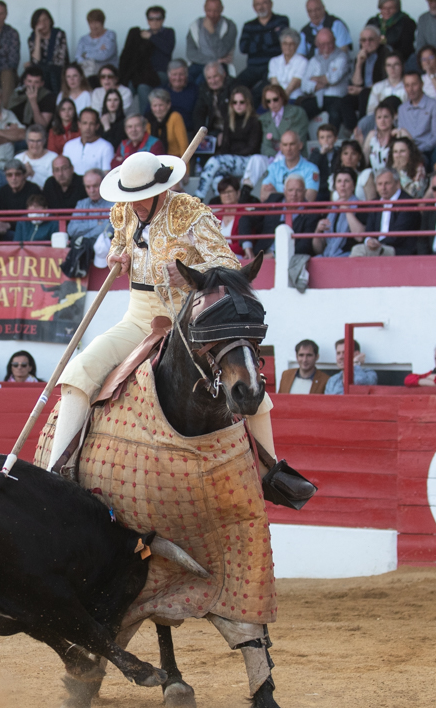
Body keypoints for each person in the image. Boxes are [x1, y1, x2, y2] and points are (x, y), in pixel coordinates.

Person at [45, 149, 273, 474]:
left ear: (162, 190)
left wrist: (192, 270)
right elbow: (119, 245)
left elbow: (229, 265)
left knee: (252, 386)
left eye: (143, 197)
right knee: (79, 373)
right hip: (138, 318)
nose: (135, 205)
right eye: (130, 197)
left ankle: (271, 472)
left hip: (189, 320)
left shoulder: (191, 212)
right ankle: (60, 470)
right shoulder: (123, 211)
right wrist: (117, 258)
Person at [194, 86, 265, 201]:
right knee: (217, 178)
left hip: (247, 162)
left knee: (214, 162)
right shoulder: (229, 120)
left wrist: (230, 156)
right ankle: (220, 202)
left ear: (248, 103)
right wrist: (227, 156)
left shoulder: (255, 121)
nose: (238, 105)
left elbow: (253, 147)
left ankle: (198, 197)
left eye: (242, 102)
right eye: (234, 102)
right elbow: (225, 146)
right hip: (231, 161)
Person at [351, 168, 419, 256]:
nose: (383, 188)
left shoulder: (407, 202)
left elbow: (398, 235)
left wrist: (377, 243)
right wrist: (369, 240)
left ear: (397, 183)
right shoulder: (375, 203)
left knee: (358, 251)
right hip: (378, 247)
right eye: (379, 184)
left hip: (398, 250)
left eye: (387, 183)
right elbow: (369, 230)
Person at [299, 28, 352, 134]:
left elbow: (334, 79)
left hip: (336, 98)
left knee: (335, 114)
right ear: (317, 44)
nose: (326, 47)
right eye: (322, 44)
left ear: (334, 41)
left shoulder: (342, 57)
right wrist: (320, 83)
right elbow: (304, 85)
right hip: (317, 97)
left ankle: (331, 144)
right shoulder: (314, 60)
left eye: (329, 43)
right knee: (300, 112)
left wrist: (315, 79)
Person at [239, 0, 290, 101]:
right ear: (254, 7)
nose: (261, 7)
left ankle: (255, 115)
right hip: (253, 67)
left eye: (264, 3)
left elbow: (280, 37)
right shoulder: (248, 25)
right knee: (236, 86)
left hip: (273, 67)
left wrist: (255, 39)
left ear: (271, 4)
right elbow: (243, 47)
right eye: (257, 4)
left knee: (261, 91)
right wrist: (270, 38)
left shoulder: (282, 20)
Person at [312, 167, 366, 258]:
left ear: (353, 185)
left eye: (347, 181)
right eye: (339, 181)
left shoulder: (361, 207)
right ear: (335, 186)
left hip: (350, 256)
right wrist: (318, 230)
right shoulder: (330, 209)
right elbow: (318, 249)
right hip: (328, 255)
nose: (342, 185)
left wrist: (347, 210)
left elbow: (359, 237)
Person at [187, 0, 238, 85]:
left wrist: (212, 32)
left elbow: (222, 52)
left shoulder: (230, 26)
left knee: (200, 82)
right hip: (198, 64)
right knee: (185, 82)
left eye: (216, 11)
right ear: (204, 9)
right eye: (209, 11)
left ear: (222, 9)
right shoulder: (195, 25)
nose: (212, 15)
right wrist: (216, 60)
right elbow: (190, 54)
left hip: (220, 66)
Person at [260, 130, 319, 201]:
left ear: (300, 145)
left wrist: (275, 194)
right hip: (277, 211)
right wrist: (293, 196)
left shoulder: (311, 169)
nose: (288, 149)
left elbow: (309, 199)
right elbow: (263, 197)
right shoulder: (273, 167)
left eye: (292, 144)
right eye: (285, 145)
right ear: (280, 147)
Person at [25, 8, 69, 95]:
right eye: (39, 21)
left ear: (50, 21)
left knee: (50, 72)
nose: (43, 24)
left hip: (57, 69)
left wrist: (42, 64)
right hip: (42, 70)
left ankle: (55, 99)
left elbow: (59, 61)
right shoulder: (32, 38)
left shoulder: (59, 34)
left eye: (45, 20)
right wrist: (38, 37)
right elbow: (35, 61)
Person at [259, 85, 310, 160]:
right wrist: (275, 156)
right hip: (272, 158)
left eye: (275, 99)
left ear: (282, 98)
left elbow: (298, 140)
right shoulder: (264, 118)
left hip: (295, 157)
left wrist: (280, 156)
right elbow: (266, 145)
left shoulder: (296, 113)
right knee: (256, 159)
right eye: (268, 101)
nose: (272, 103)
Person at [398, 71, 436, 159]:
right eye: (407, 85)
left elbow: (435, 138)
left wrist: (416, 150)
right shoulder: (402, 109)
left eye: (414, 84)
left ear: (422, 84)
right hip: (405, 153)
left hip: (425, 153)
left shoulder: (433, 105)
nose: (411, 89)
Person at [62, 109, 114, 174]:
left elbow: (107, 175)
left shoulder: (106, 147)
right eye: (84, 123)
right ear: (79, 124)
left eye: (91, 124)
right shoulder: (69, 146)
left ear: (97, 126)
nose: (87, 127)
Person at [67, 169, 114, 238]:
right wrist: (97, 224)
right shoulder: (81, 204)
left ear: (103, 184)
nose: (91, 190)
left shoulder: (114, 204)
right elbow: (71, 230)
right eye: (88, 187)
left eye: (95, 186)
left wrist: (85, 236)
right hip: (84, 247)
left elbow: (110, 230)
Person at [76, 9, 118, 80]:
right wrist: (98, 50)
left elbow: (104, 55)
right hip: (87, 73)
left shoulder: (110, 35)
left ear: (102, 23)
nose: (94, 26)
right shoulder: (83, 39)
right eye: (91, 23)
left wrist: (86, 54)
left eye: (96, 22)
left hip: (107, 74)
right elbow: (78, 58)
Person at [269, 28, 309, 102]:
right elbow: (274, 85)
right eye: (285, 43)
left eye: (291, 44)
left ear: (297, 46)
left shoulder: (303, 62)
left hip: (294, 98)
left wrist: (280, 101)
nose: (288, 47)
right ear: (281, 44)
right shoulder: (274, 61)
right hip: (275, 99)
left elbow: (292, 86)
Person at [146, 89, 187, 159]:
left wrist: (185, 167)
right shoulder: (149, 121)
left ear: (168, 105)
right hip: (156, 163)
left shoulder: (175, 117)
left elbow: (183, 145)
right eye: (155, 106)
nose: (158, 109)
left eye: (161, 105)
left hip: (175, 161)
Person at [165, 61, 200, 134]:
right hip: (166, 132)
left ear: (187, 75)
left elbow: (200, 115)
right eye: (174, 74)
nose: (177, 78)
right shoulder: (162, 92)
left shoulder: (195, 91)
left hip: (188, 132)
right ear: (169, 76)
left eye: (181, 74)